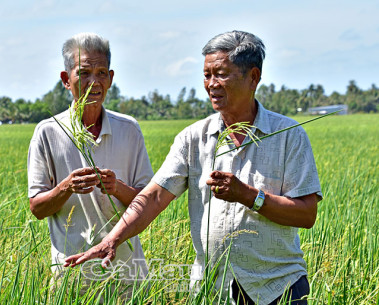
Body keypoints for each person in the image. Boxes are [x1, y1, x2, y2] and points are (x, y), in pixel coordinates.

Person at [64, 30, 322, 305]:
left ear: (253, 77)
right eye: (207, 75)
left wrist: (248, 196)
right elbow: (153, 196)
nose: (212, 84)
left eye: (221, 74)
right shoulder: (194, 138)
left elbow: (306, 215)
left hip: (277, 289)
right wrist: (111, 240)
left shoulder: (288, 136)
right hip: (214, 291)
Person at [27, 33, 153, 285]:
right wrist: (66, 187)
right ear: (66, 79)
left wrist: (117, 188)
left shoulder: (129, 129)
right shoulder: (48, 132)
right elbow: (37, 208)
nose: (93, 82)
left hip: (127, 273)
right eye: (84, 73)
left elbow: (148, 201)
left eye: (101, 73)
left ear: (111, 78)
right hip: (73, 275)